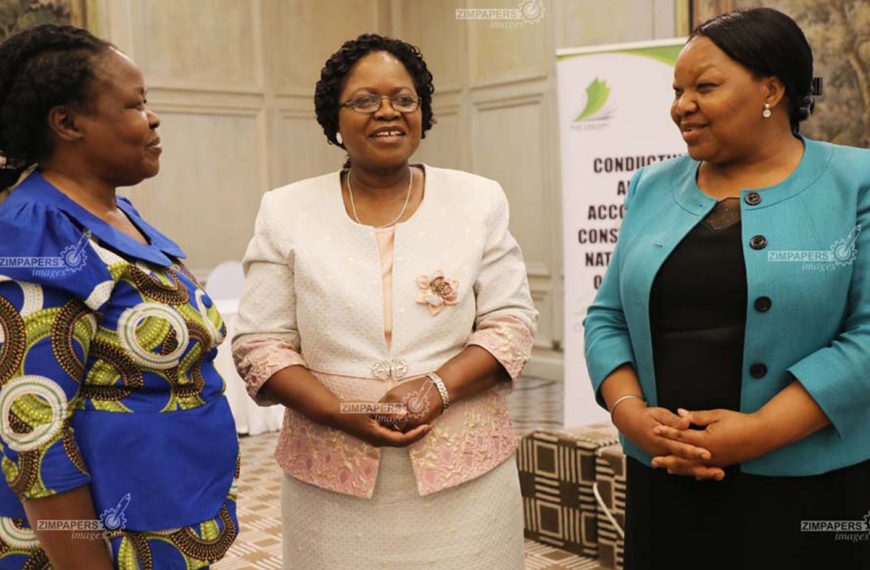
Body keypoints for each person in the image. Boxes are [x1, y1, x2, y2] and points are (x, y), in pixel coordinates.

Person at [232, 33, 537, 569]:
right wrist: (341, 411)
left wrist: (437, 388)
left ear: (422, 111)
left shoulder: (477, 199)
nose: (387, 112)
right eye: (364, 101)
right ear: (335, 118)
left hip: (464, 476)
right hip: (332, 483)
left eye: (403, 98)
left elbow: (510, 323)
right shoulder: (285, 210)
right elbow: (260, 344)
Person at [584, 8, 870, 569]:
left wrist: (760, 431)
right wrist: (631, 414)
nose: (680, 105)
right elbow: (607, 317)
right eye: (677, 89)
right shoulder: (650, 186)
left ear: (772, 88)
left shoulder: (855, 182)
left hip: (810, 488)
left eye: (704, 86)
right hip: (666, 477)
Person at [0, 24, 239, 568]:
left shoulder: (118, 213)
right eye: (135, 105)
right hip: (98, 542)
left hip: (161, 510)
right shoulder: (39, 232)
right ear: (67, 122)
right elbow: (32, 423)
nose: (152, 118)